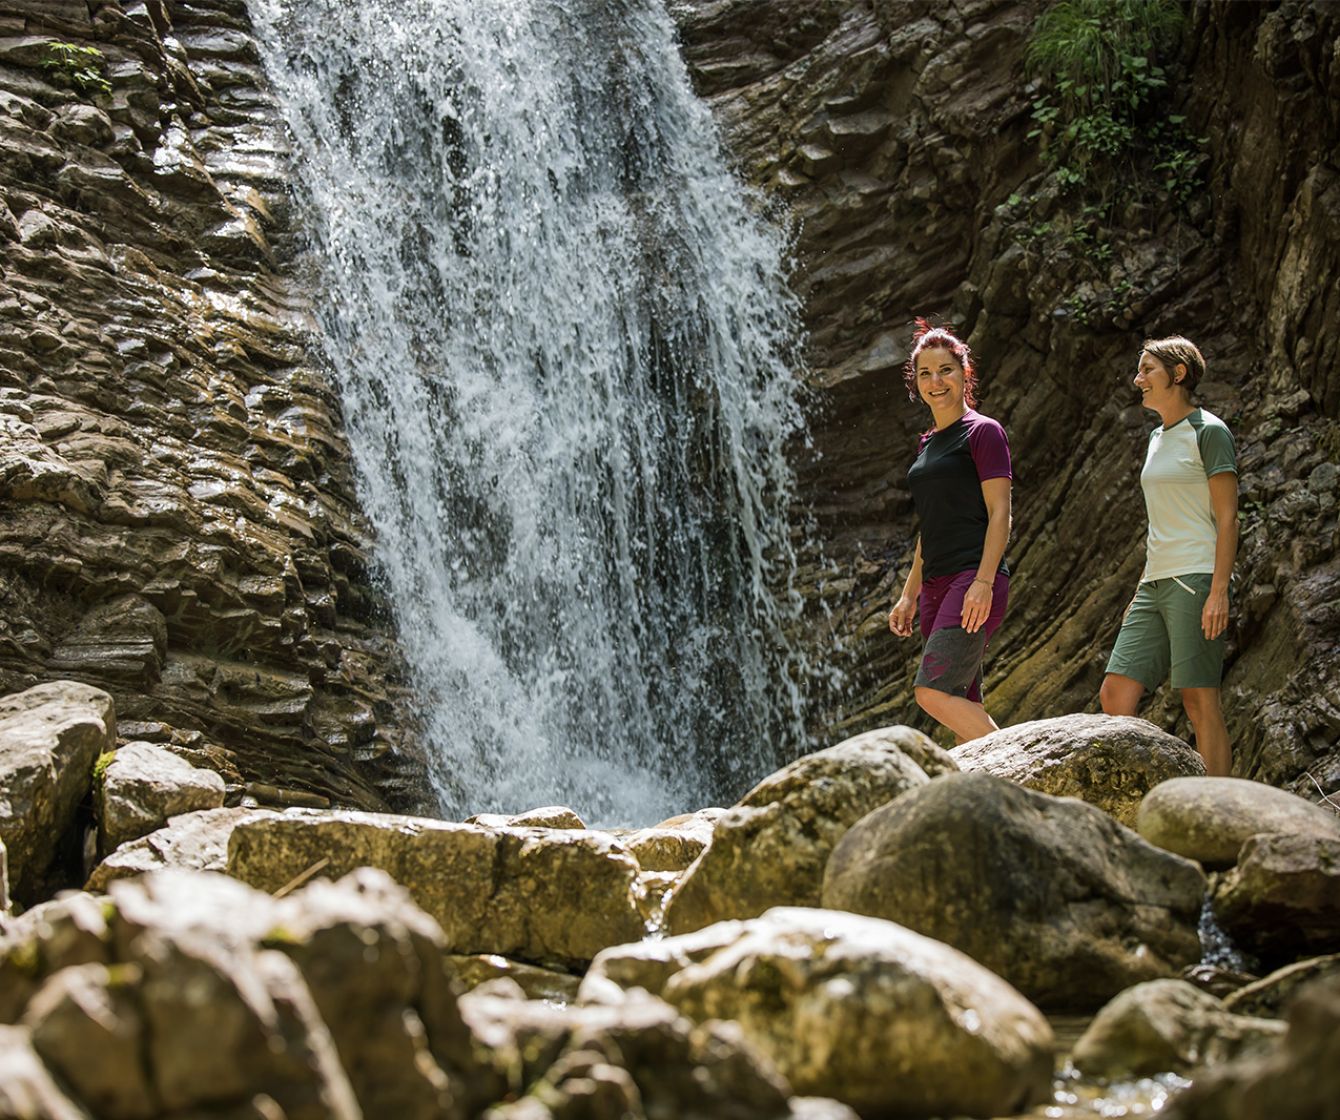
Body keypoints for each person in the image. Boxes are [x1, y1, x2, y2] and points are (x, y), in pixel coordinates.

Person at [1099, 336, 1238, 776]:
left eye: (1147, 370)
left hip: (1196, 579)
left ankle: (1218, 808)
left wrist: (1218, 591)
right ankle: (1135, 792)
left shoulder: (1209, 432)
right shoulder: (1157, 437)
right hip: (1155, 581)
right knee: (1115, 693)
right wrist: (1143, 584)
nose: (1137, 379)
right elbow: (1161, 521)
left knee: (1200, 699)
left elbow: (1229, 518)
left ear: (1178, 375)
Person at [888, 320, 1012, 743]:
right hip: (937, 585)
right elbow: (932, 526)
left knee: (932, 691)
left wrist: (983, 581)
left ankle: (1014, 770)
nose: (935, 381)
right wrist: (909, 594)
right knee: (964, 707)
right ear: (915, 382)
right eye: (925, 373)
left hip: (971, 579)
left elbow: (1000, 514)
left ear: (964, 374)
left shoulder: (983, 432)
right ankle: (987, 804)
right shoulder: (927, 445)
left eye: (945, 370)